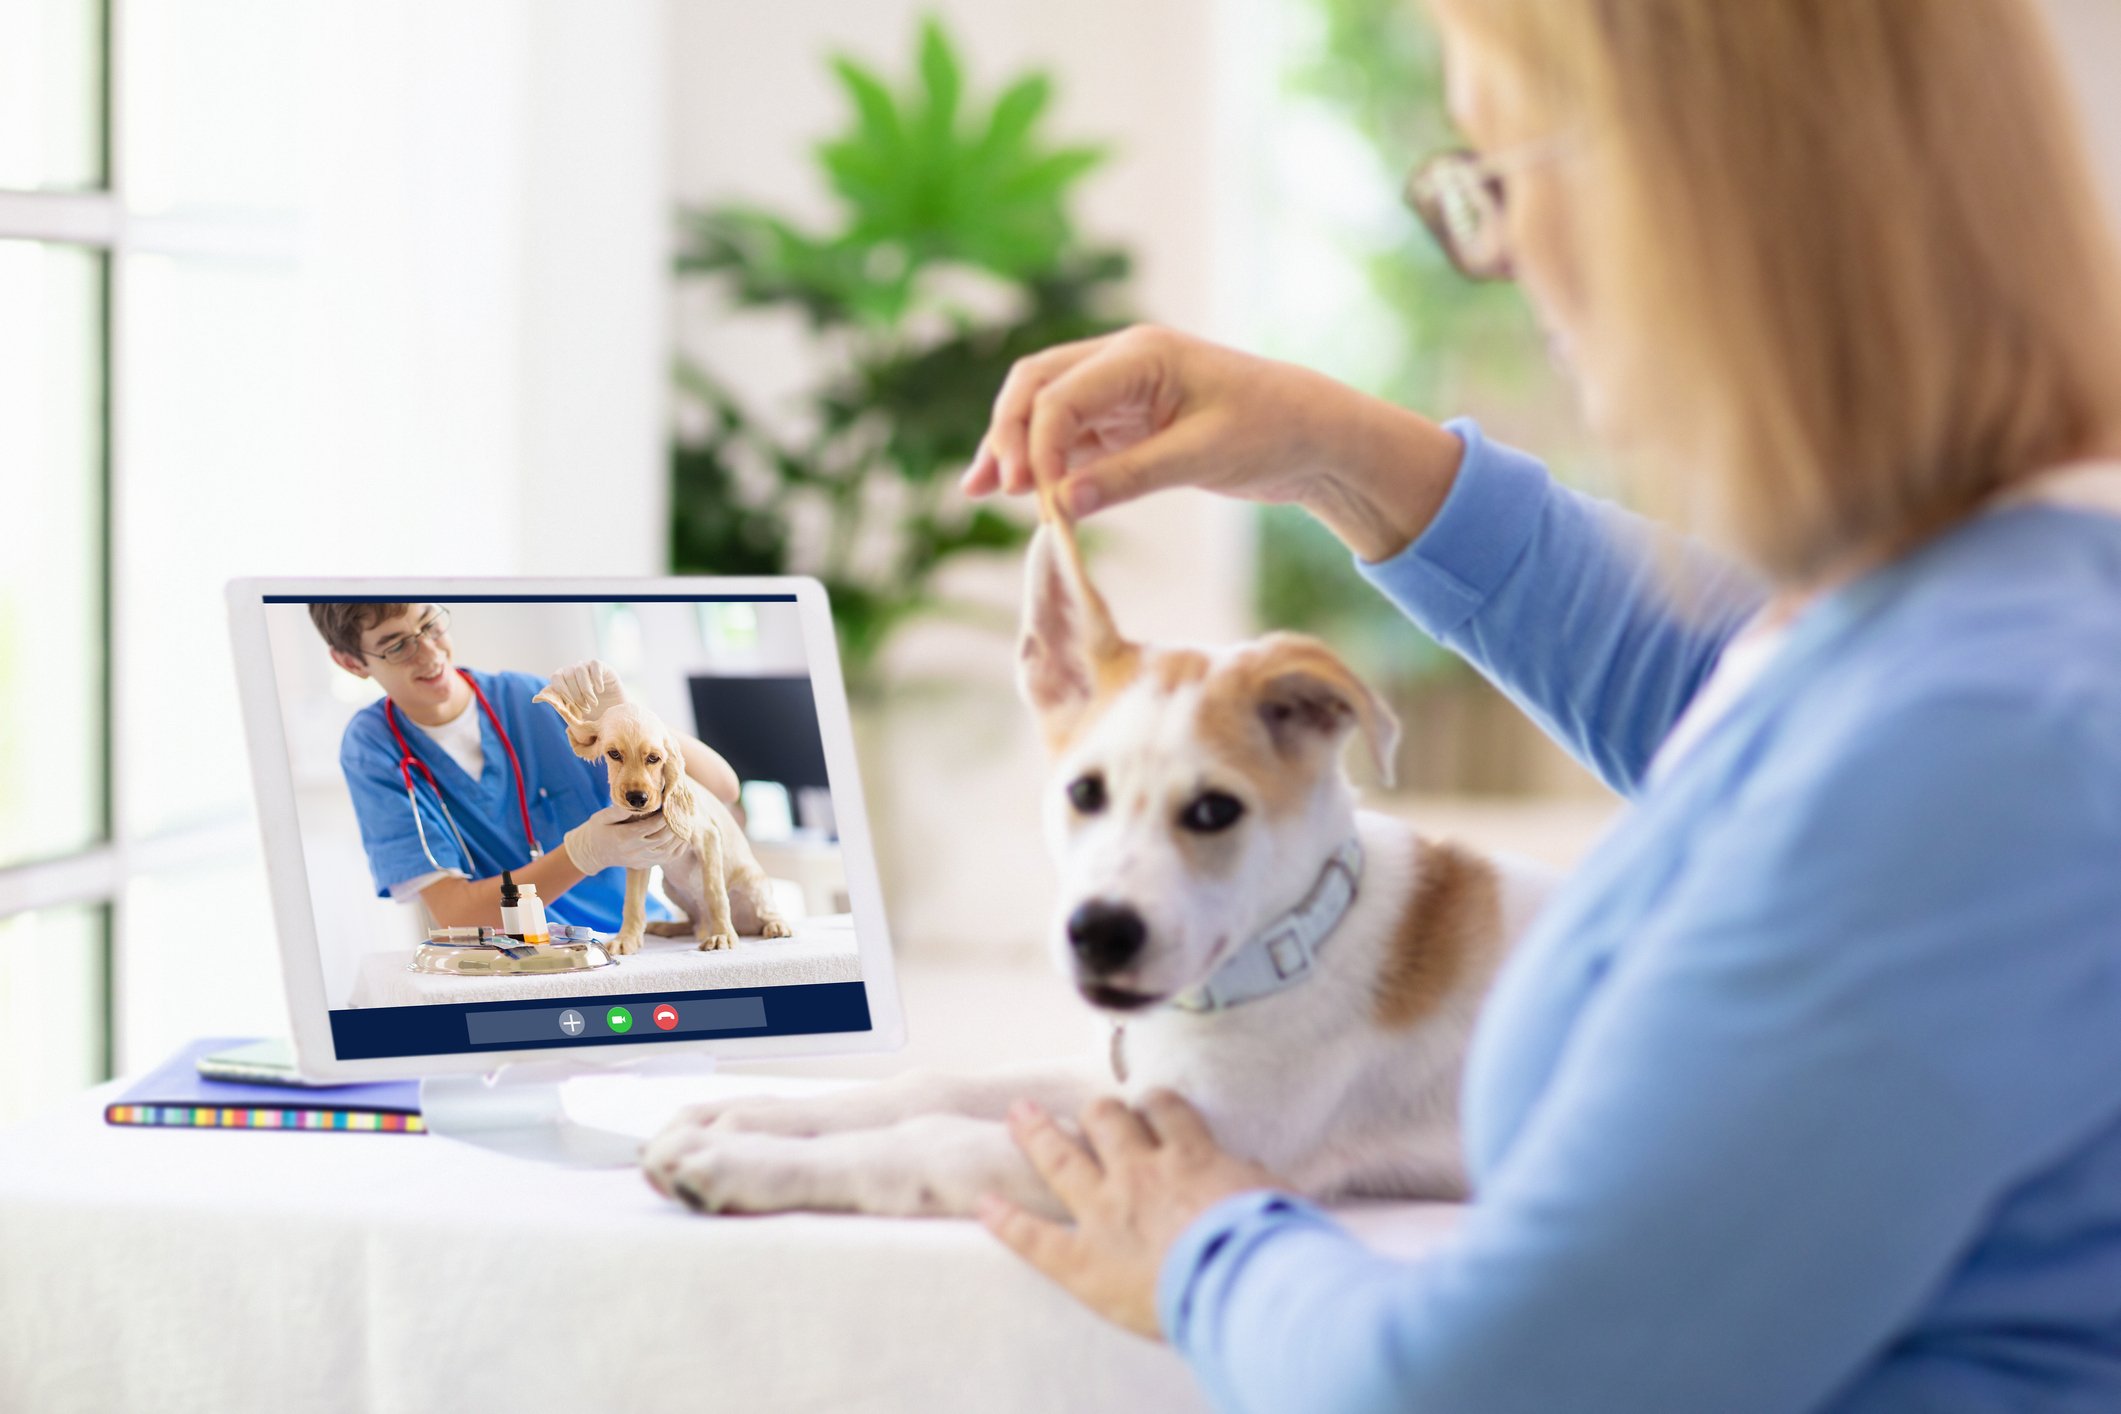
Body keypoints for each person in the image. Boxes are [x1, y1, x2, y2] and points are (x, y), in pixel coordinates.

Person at [960, 2, 2121, 1410]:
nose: (1497, 248)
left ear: (1684, 179)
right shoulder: (2010, 596)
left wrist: (1207, 1241)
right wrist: (1331, 450)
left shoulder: (1972, 742)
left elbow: (1491, 1386)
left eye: (1495, 174)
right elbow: (1735, 703)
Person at [310, 602, 741, 933]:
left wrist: (630, 717)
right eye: (397, 644)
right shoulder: (374, 748)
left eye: (430, 623)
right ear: (351, 662)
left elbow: (721, 787)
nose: (428, 653)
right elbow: (455, 912)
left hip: (641, 940)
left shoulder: (534, 701)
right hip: (521, 966)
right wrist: (582, 853)